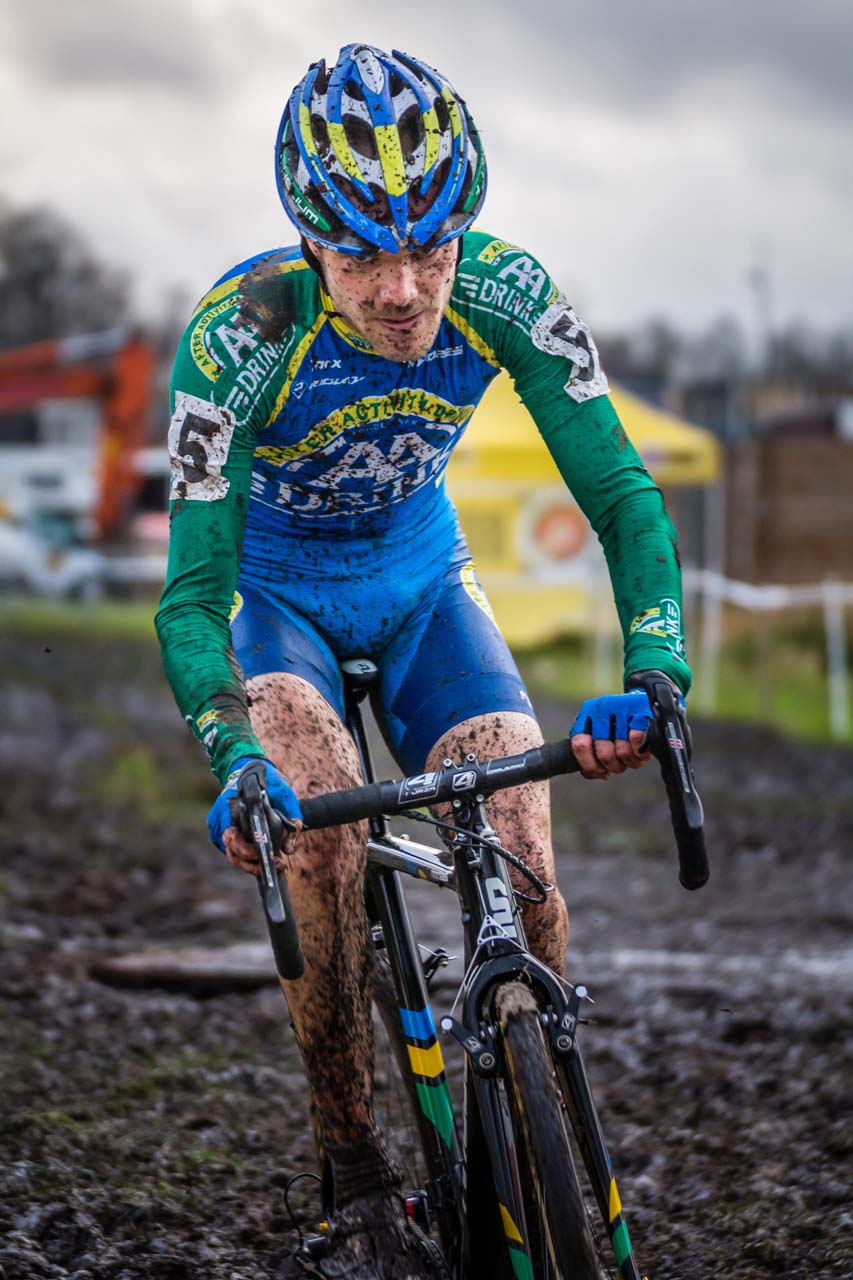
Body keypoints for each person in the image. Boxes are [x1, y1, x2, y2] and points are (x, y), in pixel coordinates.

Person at [155, 42, 691, 1280]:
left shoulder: (508, 291)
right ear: (307, 243)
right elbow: (190, 597)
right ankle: (350, 1163)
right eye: (360, 260)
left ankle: (539, 1078)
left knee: (528, 862)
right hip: (277, 601)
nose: (403, 292)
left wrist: (655, 672)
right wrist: (233, 748)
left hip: (423, 592)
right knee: (321, 828)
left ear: (466, 230)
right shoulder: (238, 336)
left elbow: (621, 496)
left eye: (432, 252)